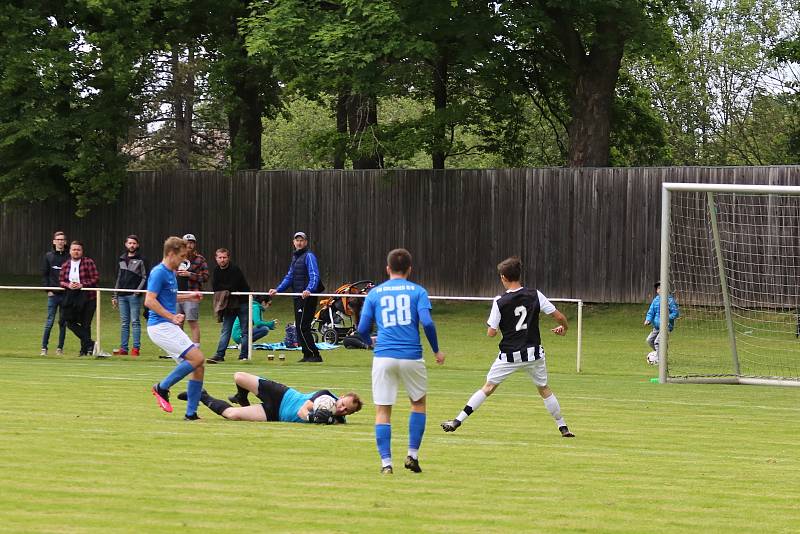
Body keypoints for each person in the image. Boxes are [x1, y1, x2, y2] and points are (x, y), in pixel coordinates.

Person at [440, 257, 574, 438]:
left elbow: (491, 333)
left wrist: (493, 325)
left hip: (509, 355)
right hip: (533, 354)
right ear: (519, 275)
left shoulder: (500, 301)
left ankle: (457, 421)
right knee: (544, 388)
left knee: (488, 387)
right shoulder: (535, 294)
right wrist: (564, 328)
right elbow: (558, 316)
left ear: (503, 277)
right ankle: (563, 426)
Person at [356, 248, 445, 475]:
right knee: (418, 403)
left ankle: (386, 463)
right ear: (409, 269)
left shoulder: (375, 293)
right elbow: (427, 323)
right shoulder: (418, 292)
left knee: (383, 410)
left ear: (387, 269)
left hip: (384, 355)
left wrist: (370, 343)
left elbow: (362, 328)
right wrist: (436, 350)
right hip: (411, 356)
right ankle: (412, 455)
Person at [146, 236, 206, 420]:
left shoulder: (171, 272)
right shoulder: (159, 272)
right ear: (171, 254)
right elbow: (149, 300)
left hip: (166, 326)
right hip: (159, 326)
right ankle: (162, 387)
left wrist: (189, 297)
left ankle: (191, 414)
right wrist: (172, 316)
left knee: (199, 365)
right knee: (197, 357)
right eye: (181, 256)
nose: (183, 261)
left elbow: (169, 298)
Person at [177, 371, 362, 423]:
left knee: (232, 415)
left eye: (348, 411)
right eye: (344, 404)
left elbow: (338, 422)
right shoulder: (326, 395)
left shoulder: (337, 420)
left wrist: (333, 420)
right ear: (342, 396)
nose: (343, 409)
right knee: (239, 377)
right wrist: (313, 417)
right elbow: (302, 411)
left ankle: (202, 396)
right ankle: (242, 397)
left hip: (275, 414)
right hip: (282, 395)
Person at [268, 231, 325, 363]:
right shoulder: (296, 257)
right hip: (297, 296)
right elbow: (290, 276)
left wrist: (309, 289)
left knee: (302, 326)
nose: (299, 243)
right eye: (297, 240)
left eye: (302, 240)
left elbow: (314, 275)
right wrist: (278, 289)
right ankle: (307, 354)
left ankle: (315, 355)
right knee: (299, 326)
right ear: (293, 242)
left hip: (307, 297)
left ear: (306, 242)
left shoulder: (309, 256)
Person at [58, 241, 104, 357]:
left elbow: (96, 278)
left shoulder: (88, 262)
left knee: (86, 324)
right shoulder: (66, 265)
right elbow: (61, 280)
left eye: (78, 249)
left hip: (88, 297)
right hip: (71, 298)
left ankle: (85, 350)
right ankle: (91, 344)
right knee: (68, 321)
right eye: (74, 249)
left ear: (82, 251)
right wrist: (68, 285)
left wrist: (82, 284)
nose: (76, 252)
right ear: (70, 251)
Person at [208, 248, 251, 363]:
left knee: (245, 331)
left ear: (228, 258)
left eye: (224, 257)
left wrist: (225, 288)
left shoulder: (235, 269)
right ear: (216, 258)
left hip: (243, 302)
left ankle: (244, 356)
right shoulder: (216, 270)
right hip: (229, 304)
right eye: (220, 257)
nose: (222, 260)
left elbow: (233, 286)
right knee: (226, 330)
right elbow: (215, 287)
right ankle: (219, 355)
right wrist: (226, 288)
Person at [111, 235, 148, 356]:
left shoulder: (142, 259)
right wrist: (115, 295)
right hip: (122, 295)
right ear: (126, 244)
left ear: (137, 245)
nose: (132, 245)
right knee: (124, 322)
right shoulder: (121, 259)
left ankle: (136, 349)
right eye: (130, 243)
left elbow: (144, 277)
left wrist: (138, 290)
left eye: (134, 243)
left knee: (135, 322)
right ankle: (123, 348)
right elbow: (119, 278)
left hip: (134, 296)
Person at [176, 233, 209, 347]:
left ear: (194, 245)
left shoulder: (200, 259)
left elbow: (205, 277)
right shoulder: (177, 258)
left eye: (191, 243)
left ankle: (196, 348)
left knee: (192, 321)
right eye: (187, 243)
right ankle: (180, 348)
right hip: (177, 294)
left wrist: (190, 274)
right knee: (177, 322)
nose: (189, 245)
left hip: (192, 295)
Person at [40, 230, 69, 356]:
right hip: (53, 295)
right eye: (58, 239)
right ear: (54, 241)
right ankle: (44, 348)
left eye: (62, 239)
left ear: (65, 242)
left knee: (63, 322)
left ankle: (59, 349)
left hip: (65, 294)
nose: (60, 241)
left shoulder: (69, 257)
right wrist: (48, 290)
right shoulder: (48, 256)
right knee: (49, 321)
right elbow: (44, 275)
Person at [644, 281, 680, 356]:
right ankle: (661, 355)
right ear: (657, 291)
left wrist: (667, 318)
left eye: (662, 288)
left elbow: (676, 313)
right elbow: (651, 312)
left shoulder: (670, 301)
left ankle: (660, 359)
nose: (660, 290)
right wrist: (648, 319)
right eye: (658, 288)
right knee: (649, 340)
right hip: (657, 327)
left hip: (666, 326)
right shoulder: (655, 300)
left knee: (657, 342)